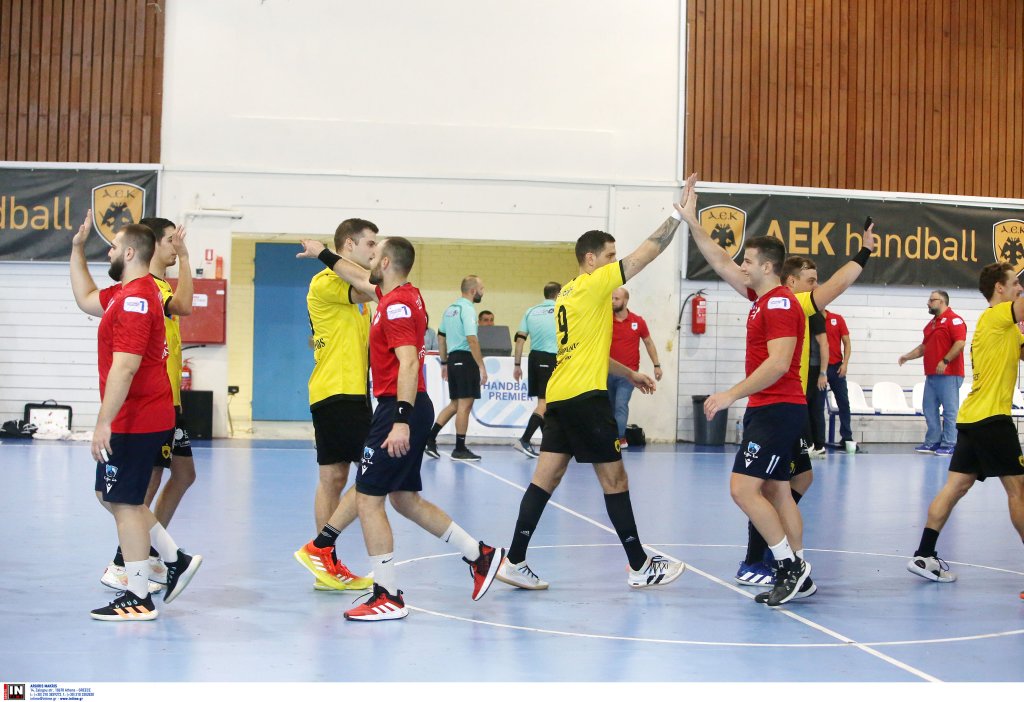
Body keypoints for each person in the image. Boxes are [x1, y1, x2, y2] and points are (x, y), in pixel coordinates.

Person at [495, 176, 697, 593]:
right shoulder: (594, 282)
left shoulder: (569, 294)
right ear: (590, 259)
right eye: (609, 256)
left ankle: (514, 560)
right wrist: (678, 217)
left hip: (561, 396)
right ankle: (640, 565)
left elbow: (588, 351)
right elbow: (647, 253)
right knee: (615, 481)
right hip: (586, 399)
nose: (614, 262)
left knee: (544, 479)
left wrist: (630, 373)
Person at [683, 178, 878, 606]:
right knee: (779, 489)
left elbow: (777, 364)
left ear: (768, 267)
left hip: (777, 409)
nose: (741, 265)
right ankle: (798, 569)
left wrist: (730, 394)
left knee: (743, 489)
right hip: (775, 408)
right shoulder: (760, 298)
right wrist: (693, 223)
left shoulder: (781, 303)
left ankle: (787, 566)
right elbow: (720, 261)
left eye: (748, 260)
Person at [296, 236, 504, 621]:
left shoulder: (395, 307)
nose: (368, 261)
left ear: (386, 262)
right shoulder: (398, 294)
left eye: (374, 254)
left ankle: (387, 594)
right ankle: (481, 556)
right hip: (403, 406)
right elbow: (353, 274)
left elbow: (408, 363)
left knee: (368, 498)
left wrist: (401, 420)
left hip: (398, 407)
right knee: (404, 499)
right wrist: (322, 253)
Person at [70, 213, 202, 621]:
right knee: (110, 496)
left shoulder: (136, 300)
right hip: (139, 414)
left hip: (136, 416)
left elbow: (125, 366)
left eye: (112, 247)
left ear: (128, 253)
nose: (108, 252)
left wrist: (103, 421)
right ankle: (174, 558)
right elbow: (85, 297)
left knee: (125, 502)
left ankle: (138, 596)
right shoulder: (125, 293)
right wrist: (76, 249)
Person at [906, 262, 1024, 599]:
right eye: (1015, 284)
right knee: (1019, 491)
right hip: (992, 419)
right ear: (999, 288)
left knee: (955, 486)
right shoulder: (997, 315)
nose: (1019, 289)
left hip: (972, 418)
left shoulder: (1003, 327)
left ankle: (924, 554)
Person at [99, 217, 197, 594]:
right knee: (135, 488)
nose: (175, 246)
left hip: (164, 400)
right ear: (151, 245)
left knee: (180, 475)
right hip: (152, 404)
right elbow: (184, 306)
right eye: (171, 240)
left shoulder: (156, 287)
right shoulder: (146, 290)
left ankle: (154, 557)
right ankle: (132, 561)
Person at [293, 219, 378, 592]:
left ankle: (324, 564)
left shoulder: (349, 286)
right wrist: (324, 256)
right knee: (376, 472)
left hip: (349, 392)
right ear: (349, 244)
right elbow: (372, 285)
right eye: (370, 244)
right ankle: (322, 551)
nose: (375, 251)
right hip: (338, 391)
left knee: (334, 477)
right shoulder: (326, 281)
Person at [426, 276, 488, 461]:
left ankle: (429, 439)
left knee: (455, 404)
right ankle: (459, 449)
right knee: (465, 405)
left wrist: (445, 362)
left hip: (453, 359)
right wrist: (481, 366)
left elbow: (441, 337)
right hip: (466, 359)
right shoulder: (468, 309)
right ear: (473, 291)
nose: (483, 292)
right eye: (482, 289)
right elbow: (472, 339)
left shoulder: (450, 309)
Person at [899, 291, 967, 456]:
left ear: (942, 301)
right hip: (932, 375)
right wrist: (907, 356)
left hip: (949, 374)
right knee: (929, 408)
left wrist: (945, 361)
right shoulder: (931, 324)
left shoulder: (954, 320)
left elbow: (960, 343)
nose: (928, 303)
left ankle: (950, 443)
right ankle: (933, 441)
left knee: (950, 410)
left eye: (931, 300)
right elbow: (924, 347)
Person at [609, 287, 662, 448]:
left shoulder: (637, 321)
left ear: (625, 301)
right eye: (611, 298)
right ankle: (610, 439)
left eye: (616, 299)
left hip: (629, 375)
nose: (612, 301)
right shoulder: (605, 320)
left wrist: (656, 365)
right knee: (609, 407)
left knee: (621, 404)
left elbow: (648, 342)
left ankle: (620, 439)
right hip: (607, 372)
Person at [512, 282, 561, 458]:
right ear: (558, 294)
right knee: (545, 404)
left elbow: (520, 340)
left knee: (544, 402)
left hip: (534, 358)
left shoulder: (531, 311)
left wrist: (517, 365)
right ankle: (524, 440)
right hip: (551, 357)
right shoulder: (561, 310)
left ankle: (550, 444)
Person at [825, 309, 855, 450]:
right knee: (816, 405)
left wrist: (845, 363)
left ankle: (846, 437)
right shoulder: (812, 319)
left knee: (843, 402)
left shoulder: (837, 318)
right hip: (819, 368)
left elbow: (847, 342)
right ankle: (815, 439)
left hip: (836, 367)